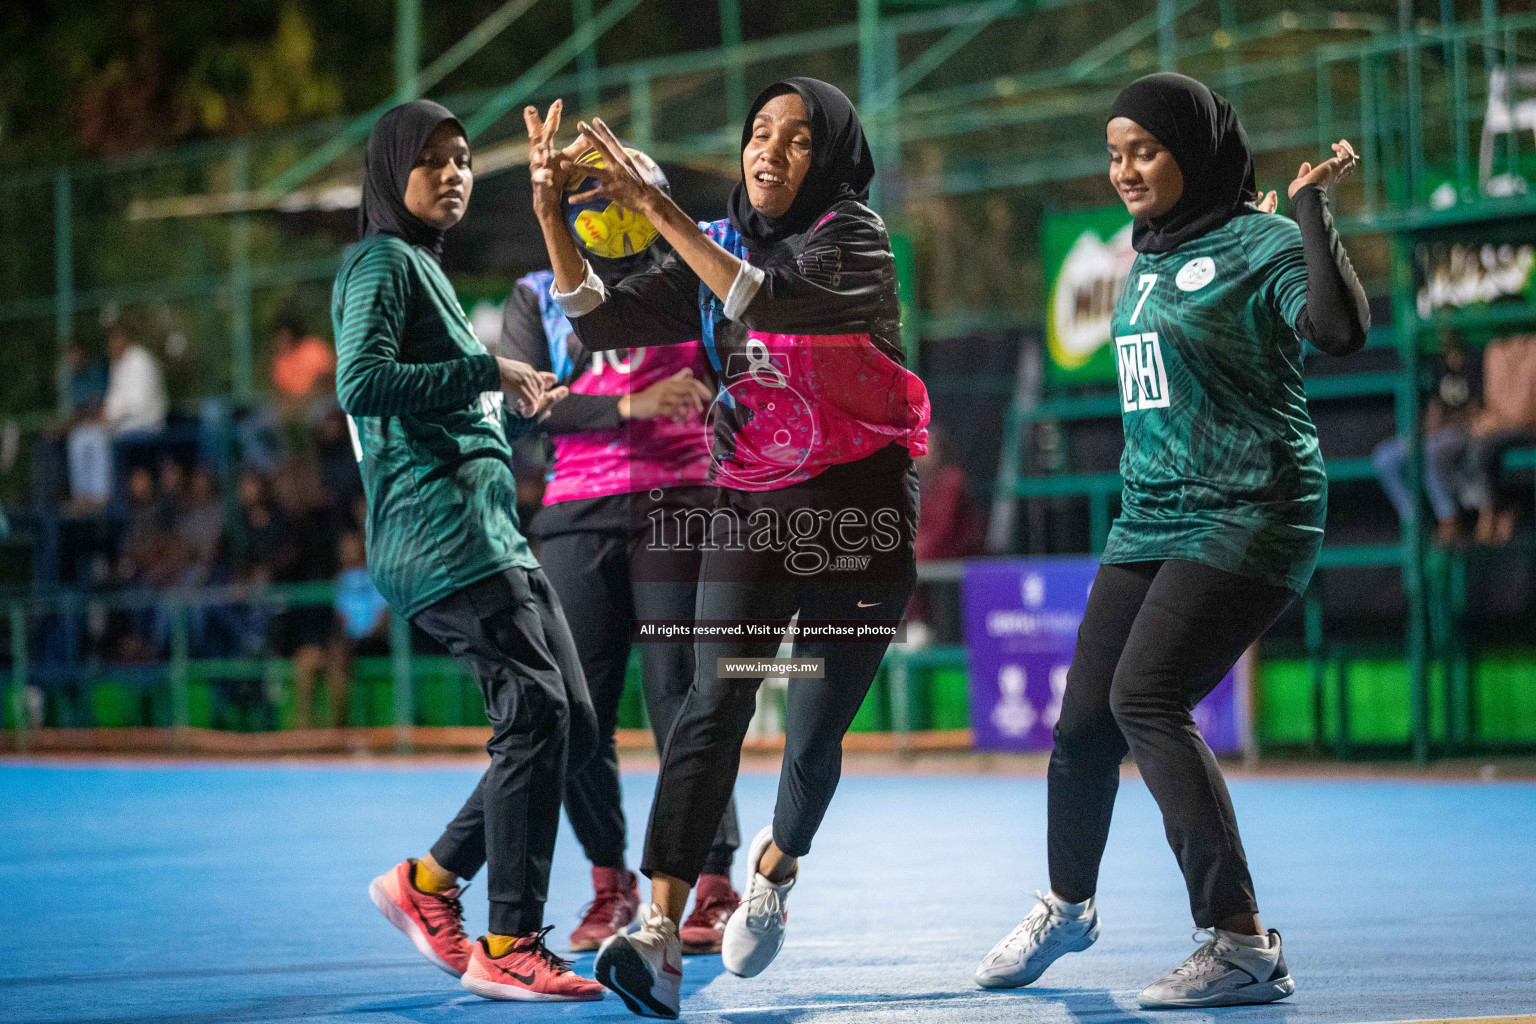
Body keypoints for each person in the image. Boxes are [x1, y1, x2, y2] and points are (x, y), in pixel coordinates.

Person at [525, 76, 930, 1018]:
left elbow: (766, 302)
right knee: (716, 698)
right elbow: (596, 318)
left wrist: (655, 209)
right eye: (758, 133)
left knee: (814, 737)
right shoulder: (722, 240)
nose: (770, 152)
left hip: (856, 521)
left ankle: (777, 869)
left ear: (826, 157)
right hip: (751, 511)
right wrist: (554, 213)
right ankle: (660, 928)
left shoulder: (854, 241)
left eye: (795, 140)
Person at [973, 73, 1369, 1009]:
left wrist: (1308, 217)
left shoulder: (1262, 240)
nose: (1125, 171)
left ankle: (1241, 945)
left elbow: (1340, 330)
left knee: (1145, 695)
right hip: (1151, 515)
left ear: (1191, 152)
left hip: (1252, 509)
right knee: (1079, 730)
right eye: (1113, 155)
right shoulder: (1151, 251)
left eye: (1143, 151)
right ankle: (1068, 908)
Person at [338, 99, 603, 1002]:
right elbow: (363, 380)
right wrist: (487, 368)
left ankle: (427, 884)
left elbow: (437, 389)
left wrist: (500, 395)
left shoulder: (421, 267)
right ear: (391, 173)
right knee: (534, 712)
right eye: (434, 161)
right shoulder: (380, 261)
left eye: (462, 160)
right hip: (440, 533)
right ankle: (510, 940)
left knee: (569, 720)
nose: (453, 174)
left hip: (487, 529)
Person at [499, 235, 744, 954]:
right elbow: (527, 404)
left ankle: (712, 881)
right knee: (578, 709)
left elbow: (742, 360)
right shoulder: (537, 291)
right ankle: (611, 882)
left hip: (681, 500)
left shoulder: (690, 269)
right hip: (577, 510)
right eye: (588, 202)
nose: (607, 211)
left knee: (684, 694)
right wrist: (630, 406)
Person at [1372, 331, 1478, 544]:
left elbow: (1477, 411)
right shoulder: (1437, 365)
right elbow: (1434, 410)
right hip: (1436, 435)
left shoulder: (1475, 362)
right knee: (1384, 456)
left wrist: (1445, 424)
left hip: (1464, 432)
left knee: (1429, 452)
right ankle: (1415, 522)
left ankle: (1448, 520)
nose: (1445, 336)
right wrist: (1426, 428)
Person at [291, 531, 388, 730]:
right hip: (344, 640)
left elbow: (382, 620)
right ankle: (305, 727)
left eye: (354, 556)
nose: (349, 561)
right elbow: (339, 619)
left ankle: (338, 728)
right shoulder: (341, 582)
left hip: (372, 641)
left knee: (337, 659)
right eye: (345, 557)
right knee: (307, 658)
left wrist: (359, 638)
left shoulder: (378, 579)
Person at [66, 322, 167, 511]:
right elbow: (113, 403)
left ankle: (100, 498)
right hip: (121, 425)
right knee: (80, 438)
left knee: (99, 440)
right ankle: (82, 496)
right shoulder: (119, 365)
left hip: (144, 425)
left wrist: (109, 417)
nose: (112, 344)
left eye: (116, 338)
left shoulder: (140, 360)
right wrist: (103, 417)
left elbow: (135, 403)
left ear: (126, 337)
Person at [1464, 334, 1536, 545]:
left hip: (1525, 429)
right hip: (1499, 429)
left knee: (1480, 447)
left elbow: (1529, 411)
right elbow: (1491, 402)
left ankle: (1490, 512)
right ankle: (1495, 509)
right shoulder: (1493, 350)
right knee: (1460, 448)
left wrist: (1501, 422)